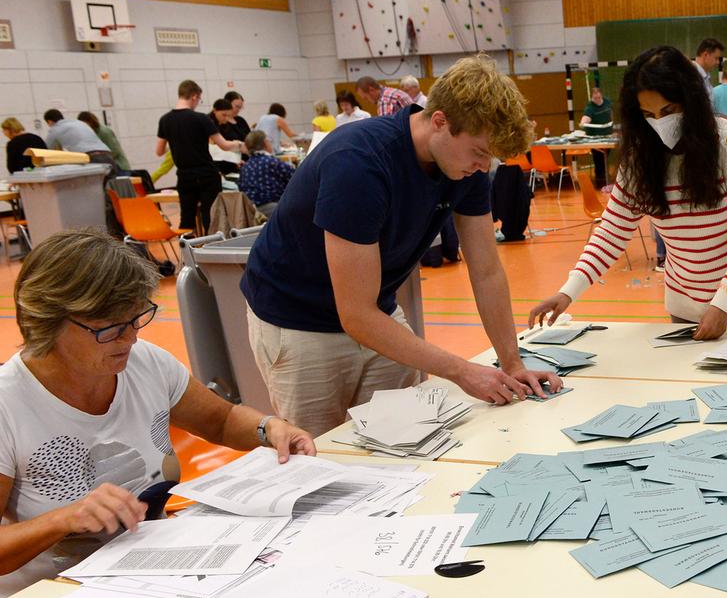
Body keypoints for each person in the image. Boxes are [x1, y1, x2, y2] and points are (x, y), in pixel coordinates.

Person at [240, 55, 558, 436]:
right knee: (320, 454)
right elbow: (355, 315)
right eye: (479, 153)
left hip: (376, 309)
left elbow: (487, 270)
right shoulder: (359, 162)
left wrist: (511, 364)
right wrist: (461, 371)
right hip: (297, 320)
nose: (482, 167)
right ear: (439, 120)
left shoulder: (464, 165)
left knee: (406, 441)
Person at [0, 229, 315, 598]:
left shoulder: (142, 362)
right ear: (49, 321)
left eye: (137, 319)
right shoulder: (10, 403)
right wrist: (64, 518)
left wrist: (268, 428)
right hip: (57, 597)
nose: (131, 338)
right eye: (112, 329)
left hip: (154, 571)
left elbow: (221, 421)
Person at [529, 46, 727, 340]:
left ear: (690, 100)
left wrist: (722, 304)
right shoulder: (639, 159)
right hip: (684, 300)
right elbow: (611, 232)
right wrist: (567, 292)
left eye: (668, 111)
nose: (660, 121)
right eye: (648, 114)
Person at [155, 80, 244, 235]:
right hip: (207, 175)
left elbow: (159, 151)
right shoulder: (201, 118)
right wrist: (238, 143)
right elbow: (223, 145)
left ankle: (189, 254)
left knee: (187, 220)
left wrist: (179, 141)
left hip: (184, 176)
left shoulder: (165, 120)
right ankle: (213, 253)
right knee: (210, 217)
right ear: (194, 97)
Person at [238, 131, 294, 216]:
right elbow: (295, 179)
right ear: (265, 143)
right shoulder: (272, 162)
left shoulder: (246, 166)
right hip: (275, 209)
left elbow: (241, 187)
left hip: (251, 211)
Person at [580, 85, 613, 186]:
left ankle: (604, 176)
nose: (597, 100)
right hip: (595, 136)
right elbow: (585, 118)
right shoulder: (590, 107)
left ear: (601, 95)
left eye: (599, 97)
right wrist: (583, 123)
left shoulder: (607, 102)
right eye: (595, 98)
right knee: (598, 157)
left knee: (605, 156)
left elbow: (612, 112)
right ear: (592, 98)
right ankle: (599, 178)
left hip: (607, 134)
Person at [43, 110, 108, 156]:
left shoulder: (55, 129)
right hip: (106, 152)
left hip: (89, 156)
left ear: (49, 121)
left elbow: (45, 150)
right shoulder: (79, 122)